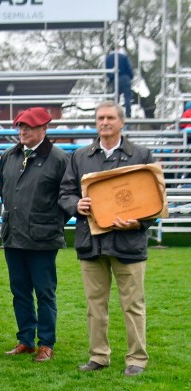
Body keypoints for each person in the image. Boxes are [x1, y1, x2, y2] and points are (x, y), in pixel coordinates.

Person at [58, 101, 154, 376]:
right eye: (100, 117)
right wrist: (76, 205)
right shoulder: (80, 156)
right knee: (94, 304)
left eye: (110, 117)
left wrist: (140, 221)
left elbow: (155, 199)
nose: (105, 122)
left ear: (121, 122)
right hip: (92, 242)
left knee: (133, 304)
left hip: (129, 242)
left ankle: (136, 359)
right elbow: (65, 192)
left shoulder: (141, 154)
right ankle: (98, 356)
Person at [0, 107, 70, 363]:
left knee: (45, 292)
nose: (23, 131)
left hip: (43, 240)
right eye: (20, 126)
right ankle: (25, 340)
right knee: (19, 291)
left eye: (28, 126)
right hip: (13, 236)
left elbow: (68, 199)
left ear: (44, 129)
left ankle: (46, 343)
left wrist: (49, 224)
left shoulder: (60, 159)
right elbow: (4, 192)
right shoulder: (9, 156)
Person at [105, 49, 134, 118]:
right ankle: (128, 114)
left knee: (115, 98)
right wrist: (131, 76)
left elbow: (107, 71)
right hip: (125, 78)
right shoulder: (123, 56)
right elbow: (129, 68)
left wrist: (111, 78)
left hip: (115, 79)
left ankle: (115, 114)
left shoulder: (108, 58)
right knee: (127, 97)